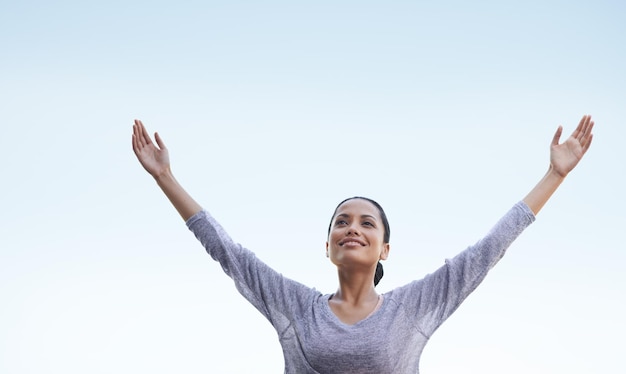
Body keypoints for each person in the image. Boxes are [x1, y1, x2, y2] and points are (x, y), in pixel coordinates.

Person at [131, 115, 594, 373]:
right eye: (342, 222)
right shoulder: (294, 306)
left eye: (367, 223)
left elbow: (488, 250)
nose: (353, 228)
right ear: (328, 245)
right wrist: (165, 177)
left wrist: (554, 175)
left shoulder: (413, 307)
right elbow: (226, 251)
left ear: (384, 250)